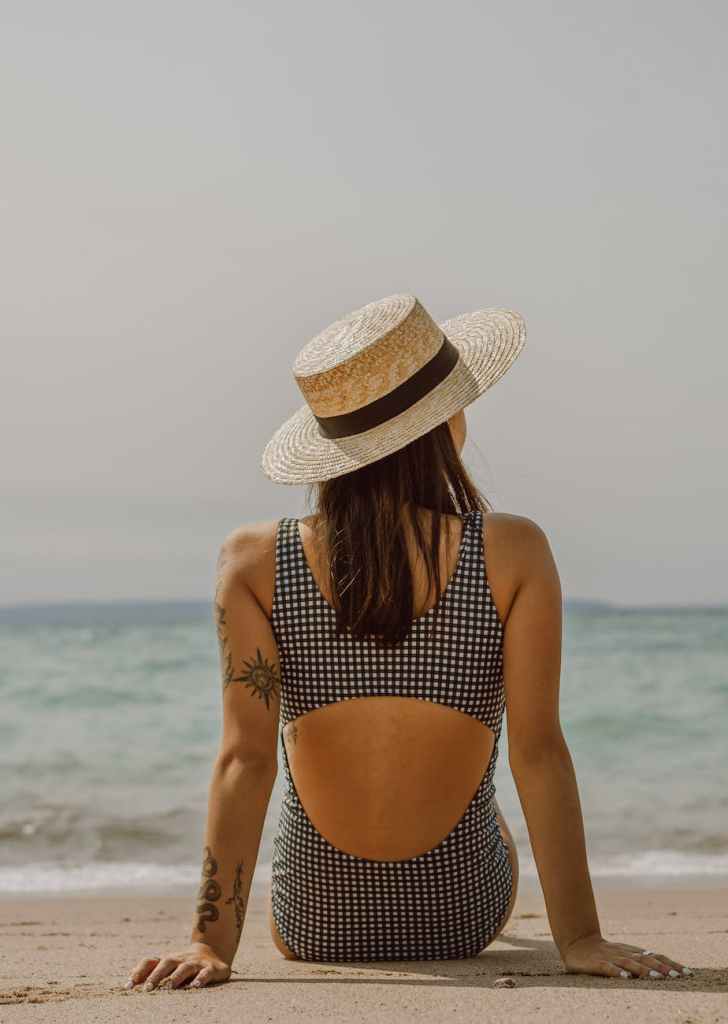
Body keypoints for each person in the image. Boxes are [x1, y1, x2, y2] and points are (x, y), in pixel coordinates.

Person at [125, 293, 692, 990]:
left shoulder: (251, 560)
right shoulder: (512, 549)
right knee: (491, 813)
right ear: (440, 424)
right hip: (461, 913)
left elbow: (244, 760)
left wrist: (208, 942)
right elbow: (538, 752)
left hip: (314, 922)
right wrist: (579, 937)